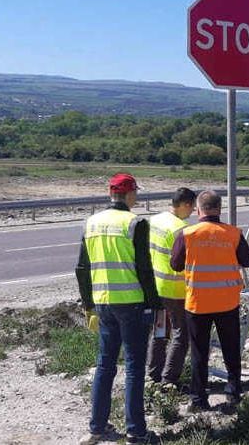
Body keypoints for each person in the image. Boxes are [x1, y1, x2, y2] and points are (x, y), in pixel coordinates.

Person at [76, 173, 161, 445]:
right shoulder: (135, 223)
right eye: (136, 192)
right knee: (135, 367)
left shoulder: (92, 223)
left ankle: (97, 427)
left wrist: (88, 304)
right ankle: (136, 432)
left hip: (103, 302)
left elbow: (82, 268)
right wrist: (155, 304)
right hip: (132, 303)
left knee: (105, 364)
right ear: (129, 194)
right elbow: (145, 269)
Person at [170, 190, 249, 411]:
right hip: (227, 301)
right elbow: (248, 260)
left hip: (198, 303)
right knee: (231, 348)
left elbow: (175, 265)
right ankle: (233, 392)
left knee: (199, 352)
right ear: (219, 209)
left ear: (198, 210)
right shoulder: (233, 233)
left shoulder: (187, 234)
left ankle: (199, 399)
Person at [146, 187, 196, 387]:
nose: (192, 212)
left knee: (159, 332)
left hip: (157, 288)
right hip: (175, 290)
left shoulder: (155, 220)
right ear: (185, 204)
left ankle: (154, 374)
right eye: (191, 207)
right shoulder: (181, 229)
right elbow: (187, 262)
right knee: (180, 335)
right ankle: (169, 380)